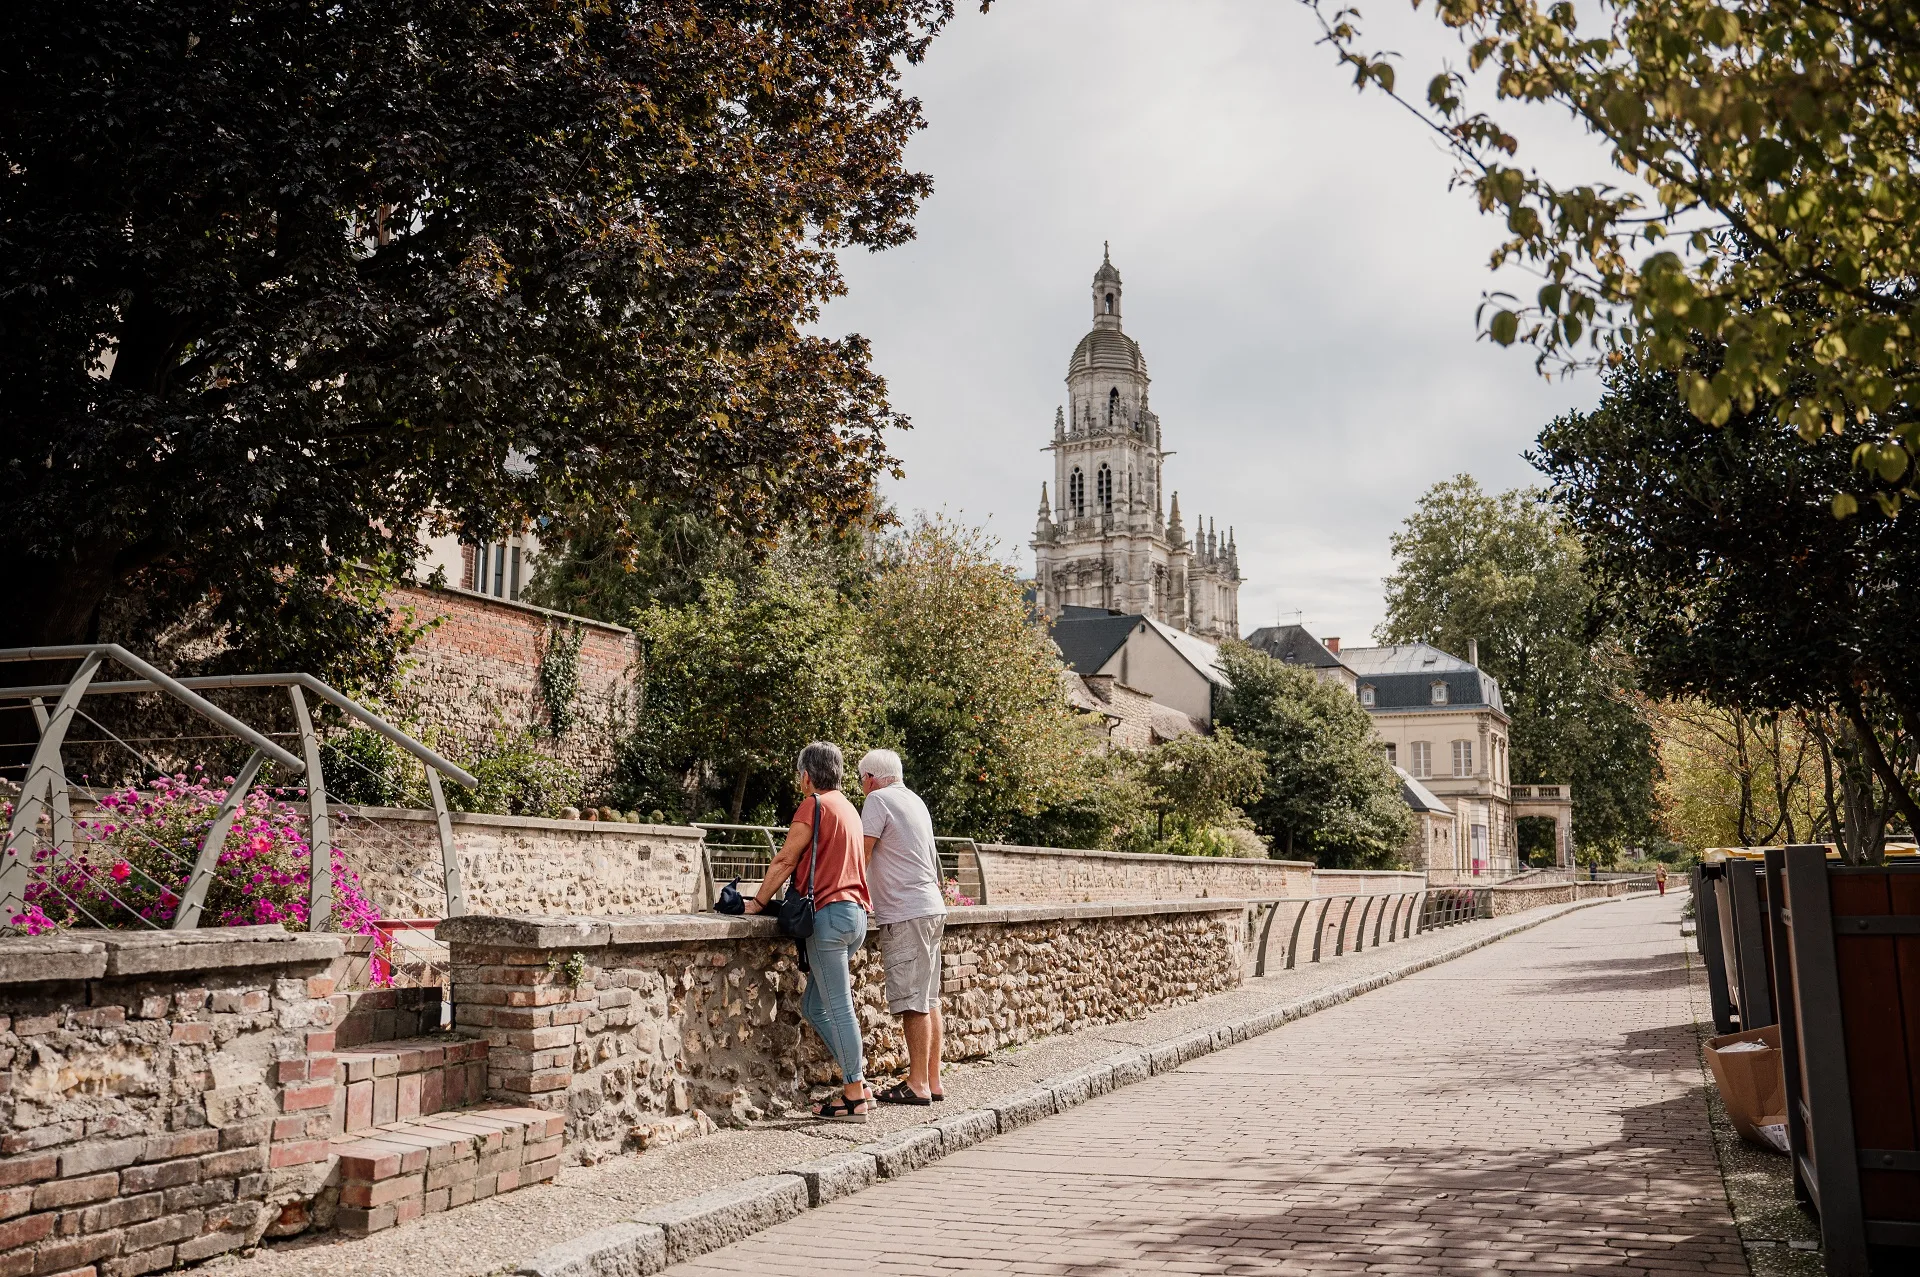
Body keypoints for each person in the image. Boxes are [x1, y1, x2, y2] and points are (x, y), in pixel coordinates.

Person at [744, 742, 872, 1122]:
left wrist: (758, 902)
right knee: (815, 1006)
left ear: (806, 775)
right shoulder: (849, 808)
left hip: (829, 920)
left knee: (839, 1007)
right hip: (856, 918)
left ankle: (854, 1095)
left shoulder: (813, 805)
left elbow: (786, 858)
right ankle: (858, 1082)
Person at [856, 748, 947, 1105]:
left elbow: (860, 855)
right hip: (930, 908)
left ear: (872, 778)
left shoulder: (878, 800)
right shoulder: (915, 801)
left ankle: (917, 1084)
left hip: (905, 913)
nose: (862, 787)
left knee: (913, 1002)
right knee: (929, 998)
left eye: (862, 780)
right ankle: (932, 1080)